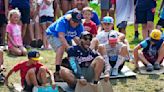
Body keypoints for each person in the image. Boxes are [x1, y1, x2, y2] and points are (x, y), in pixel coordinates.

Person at [46, 10, 83, 75]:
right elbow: (61, 36)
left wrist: (81, 48)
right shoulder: (62, 21)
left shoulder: (79, 25)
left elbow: (79, 38)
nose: (75, 24)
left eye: (77, 22)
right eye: (74, 21)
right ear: (70, 19)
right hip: (53, 34)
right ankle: (57, 70)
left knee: (74, 51)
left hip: (66, 37)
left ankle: (73, 68)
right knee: (61, 47)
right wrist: (68, 48)